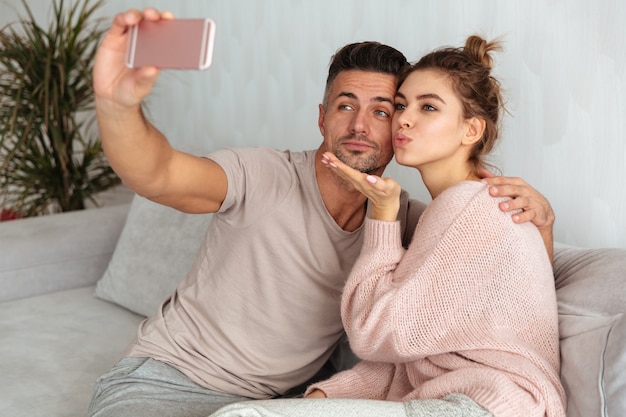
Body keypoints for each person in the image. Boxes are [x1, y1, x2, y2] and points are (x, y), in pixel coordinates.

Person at [88, 8, 557, 417]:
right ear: (321, 117)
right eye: (345, 105)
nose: (359, 124)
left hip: (278, 402)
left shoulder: (401, 219)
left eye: (381, 110)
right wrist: (116, 105)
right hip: (167, 382)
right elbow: (159, 174)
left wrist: (541, 221)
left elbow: (507, 287)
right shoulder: (263, 173)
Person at [210, 35, 566, 417]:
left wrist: (382, 215)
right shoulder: (465, 205)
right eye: (400, 105)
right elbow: (405, 360)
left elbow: (371, 333)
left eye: (428, 107)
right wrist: (321, 399)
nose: (404, 118)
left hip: (486, 405)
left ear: (471, 130)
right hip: (458, 399)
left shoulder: (467, 208)